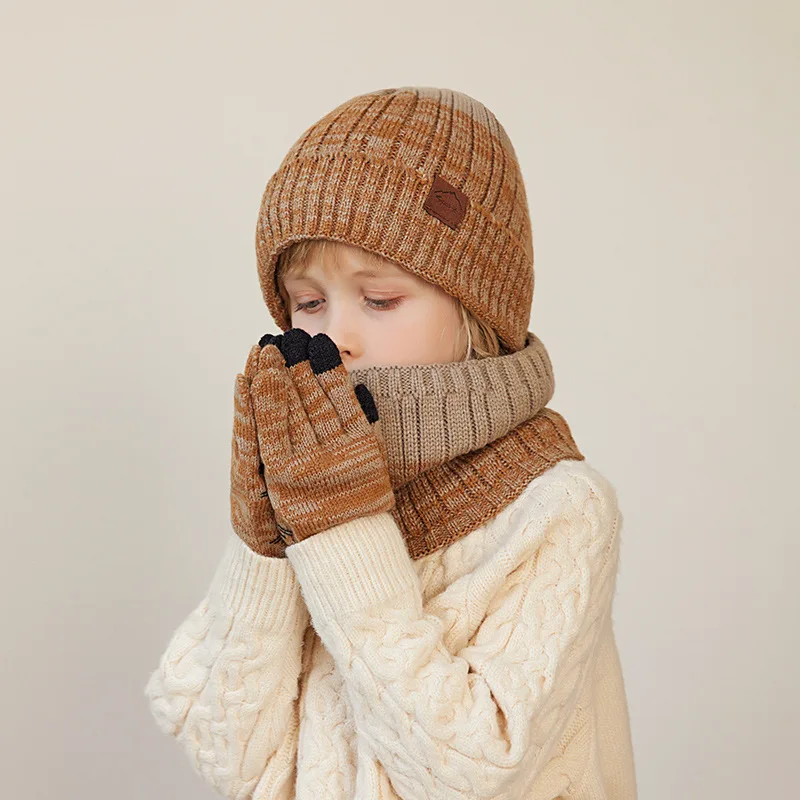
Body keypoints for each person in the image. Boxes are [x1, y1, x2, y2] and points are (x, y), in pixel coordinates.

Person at [144, 86, 638, 799]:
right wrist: (266, 541)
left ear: (477, 311)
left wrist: (342, 526)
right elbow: (231, 756)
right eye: (308, 303)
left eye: (379, 301)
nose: (333, 337)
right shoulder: (313, 478)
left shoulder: (559, 509)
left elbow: (472, 772)